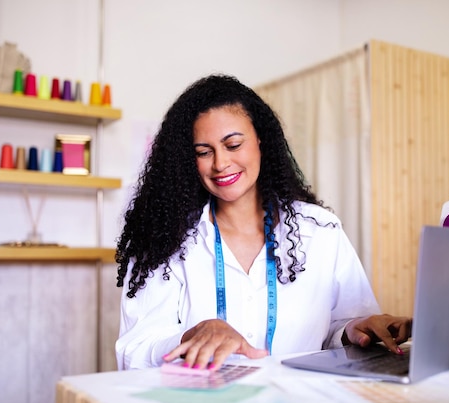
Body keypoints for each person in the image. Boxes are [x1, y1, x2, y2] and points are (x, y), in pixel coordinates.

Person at [115, 74, 412, 371]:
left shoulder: (320, 230)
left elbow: (337, 327)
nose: (220, 164)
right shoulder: (165, 239)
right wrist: (190, 336)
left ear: (260, 140)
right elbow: (134, 350)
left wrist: (356, 328)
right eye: (204, 152)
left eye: (233, 145)